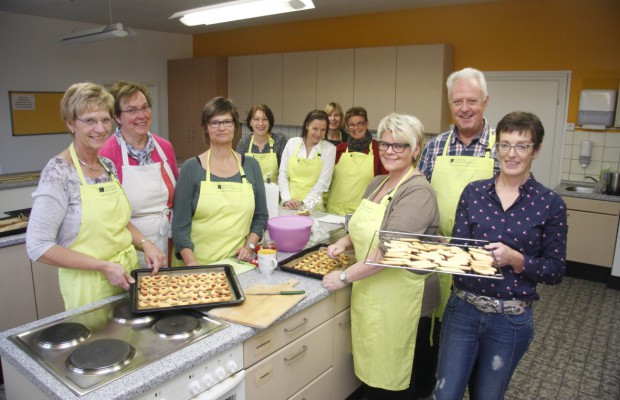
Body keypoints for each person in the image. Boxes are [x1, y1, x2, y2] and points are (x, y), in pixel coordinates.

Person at [433, 112, 567, 400]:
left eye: (522, 146)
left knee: (488, 395)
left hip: (510, 319)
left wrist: (516, 259)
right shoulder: (474, 193)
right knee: (445, 393)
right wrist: (432, 253)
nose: (512, 154)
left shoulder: (550, 204)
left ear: (537, 150)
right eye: (505, 145)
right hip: (463, 310)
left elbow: (555, 271)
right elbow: (459, 250)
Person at [322, 113, 440, 399]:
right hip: (374, 293)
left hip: (405, 302)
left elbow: (388, 253)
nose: (390, 151)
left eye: (399, 145)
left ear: (415, 150)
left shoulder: (417, 191)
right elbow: (364, 226)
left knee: (397, 382)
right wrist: (345, 243)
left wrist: (342, 276)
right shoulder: (377, 183)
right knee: (375, 374)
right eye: (385, 144)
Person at [26, 83, 165, 311]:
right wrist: (102, 266)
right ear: (71, 123)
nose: (100, 129)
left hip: (125, 277)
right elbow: (38, 246)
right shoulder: (59, 172)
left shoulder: (106, 165)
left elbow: (118, 222)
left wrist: (146, 244)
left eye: (105, 120)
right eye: (89, 120)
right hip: (88, 286)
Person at [172, 97, 268, 266]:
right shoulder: (191, 168)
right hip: (198, 264)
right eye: (214, 123)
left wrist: (249, 245)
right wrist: (192, 264)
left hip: (238, 263)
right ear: (206, 128)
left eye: (227, 122)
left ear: (235, 127)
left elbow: (260, 217)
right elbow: (180, 227)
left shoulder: (251, 166)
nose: (221, 128)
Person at [100, 81, 178, 268]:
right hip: (127, 245)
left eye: (144, 108)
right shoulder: (105, 154)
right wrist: (144, 243)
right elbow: (108, 213)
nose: (141, 115)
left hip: (168, 240)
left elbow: (177, 196)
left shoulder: (164, 147)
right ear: (117, 117)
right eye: (132, 110)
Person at [326, 106, 387, 216]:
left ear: (367, 124)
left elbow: (385, 185)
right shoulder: (339, 149)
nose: (356, 128)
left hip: (361, 213)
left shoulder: (378, 150)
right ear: (347, 127)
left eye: (360, 123)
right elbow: (326, 180)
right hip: (333, 212)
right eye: (352, 124)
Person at [279, 110, 336, 211]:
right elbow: (283, 174)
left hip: (313, 208)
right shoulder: (292, 143)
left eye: (323, 130)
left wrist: (303, 204)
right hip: (288, 205)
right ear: (307, 126)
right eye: (315, 129)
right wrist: (287, 199)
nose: (318, 134)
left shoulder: (329, 149)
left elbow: (323, 183)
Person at [235, 104, 287, 183]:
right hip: (250, 193)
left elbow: (284, 172)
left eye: (265, 119)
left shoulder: (279, 140)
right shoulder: (244, 143)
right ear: (250, 122)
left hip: (273, 192)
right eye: (256, 119)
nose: (261, 123)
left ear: (270, 122)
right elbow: (237, 172)